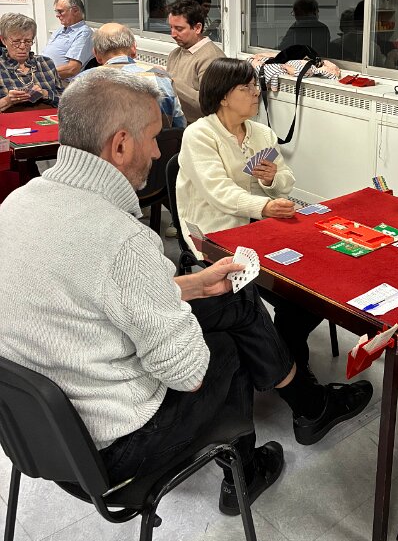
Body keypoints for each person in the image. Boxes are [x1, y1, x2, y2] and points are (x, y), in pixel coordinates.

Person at [0, 69, 369, 517]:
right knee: (227, 347)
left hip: (33, 430)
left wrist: (189, 285)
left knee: (233, 299)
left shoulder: (17, 204)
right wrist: (181, 312)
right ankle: (247, 468)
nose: (159, 153)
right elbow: (188, 373)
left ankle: (307, 404)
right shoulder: (122, 239)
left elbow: (87, 292)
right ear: (120, 145)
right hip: (115, 448)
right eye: (154, 138)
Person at [176, 56, 373, 410]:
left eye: (256, 86)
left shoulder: (261, 133)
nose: (257, 93)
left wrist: (272, 179)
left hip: (261, 230)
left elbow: (286, 180)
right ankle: (293, 374)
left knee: (311, 290)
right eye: (247, 88)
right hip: (216, 235)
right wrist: (264, 206)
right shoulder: (199, 134)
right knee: (294, 297)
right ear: (223, 96)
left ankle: (285, 361)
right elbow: (218, 192)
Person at [92, 23, 186, 128]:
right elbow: (179, 124)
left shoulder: (83, 81)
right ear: (134, 48)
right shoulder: (161, 77)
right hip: (159, 138)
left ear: (96, 54)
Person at [166, 0, 224, 124]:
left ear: (197, 28)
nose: (173, 34)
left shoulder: (212, 58)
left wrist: (170, 81)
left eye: (179, 29)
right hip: (177, 124)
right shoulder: (175, 54)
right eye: (171, 27)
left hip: (200, 128)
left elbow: (208, 106)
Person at [0, 13, 64, 111]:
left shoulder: (46, 63)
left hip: (46, 117)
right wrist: (8, 100)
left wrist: (45, 94)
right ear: (3, 40)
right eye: (16, 41)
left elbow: (66, 101)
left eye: (27, 41)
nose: (22, 46)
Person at [41, 0, 94, 80]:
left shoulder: (84, 33)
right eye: (56, 12)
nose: (57, 15)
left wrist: (42, 74)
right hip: (45, 76)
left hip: (61, 81)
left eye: (60, 11)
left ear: (75, 10)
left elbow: (72, 69)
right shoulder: (59, 30)